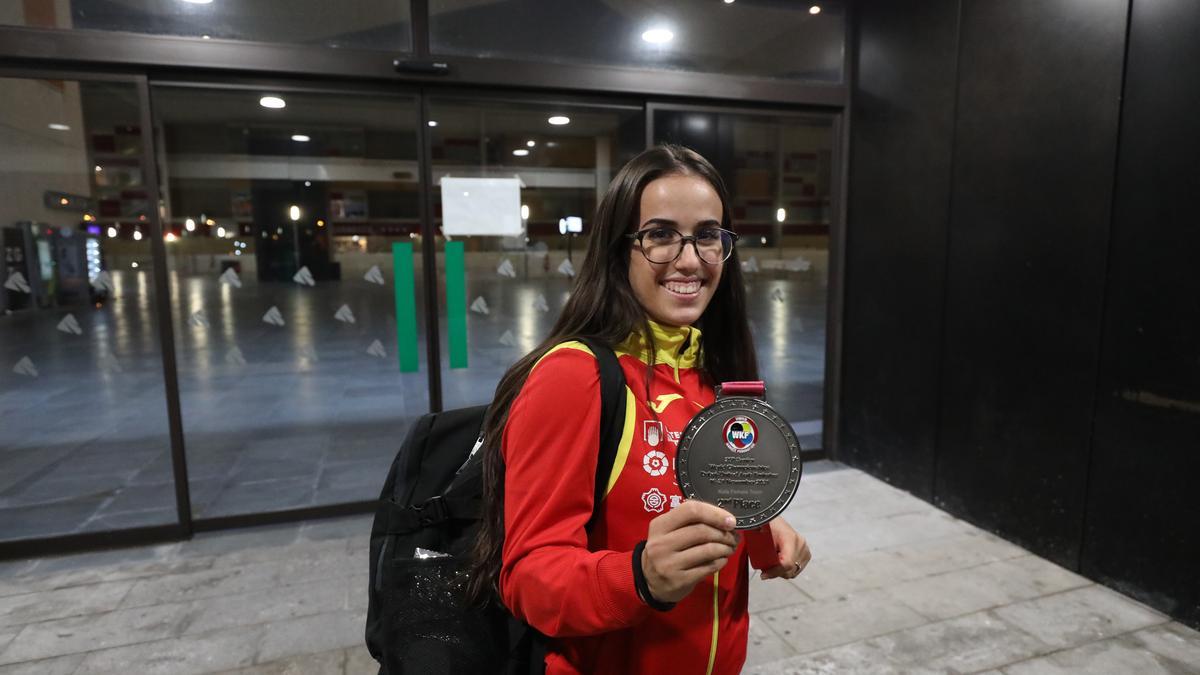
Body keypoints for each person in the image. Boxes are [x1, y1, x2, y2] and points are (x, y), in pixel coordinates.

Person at [467, 145, 812, 675]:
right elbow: (529, 578)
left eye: (707, 236)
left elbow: (716, 501)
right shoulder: (575, 377)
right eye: (660, 235)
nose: (690, 259)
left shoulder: (710, 372)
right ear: (618, 248)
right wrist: (641, 577)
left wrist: (763, 531)